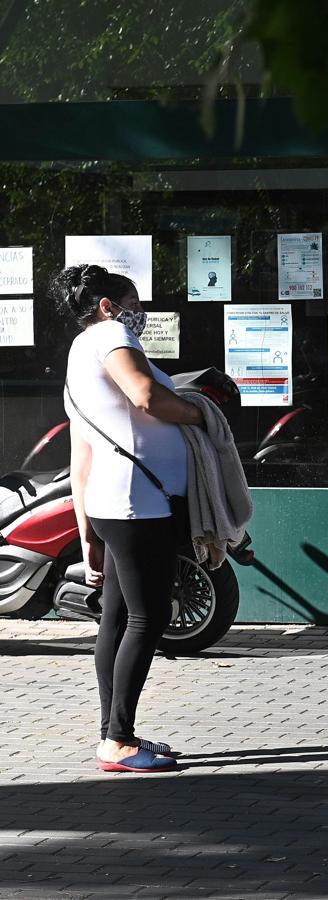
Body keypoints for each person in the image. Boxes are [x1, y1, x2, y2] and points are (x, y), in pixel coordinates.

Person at [54, 264, 206, 774]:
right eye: (133, 301)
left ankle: (115, 732)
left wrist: (86, 535)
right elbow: (147, 395)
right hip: (140, 504)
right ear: (107, 305)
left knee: (117, 620)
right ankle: (117, 742)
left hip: (112, 503)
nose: (140, 313)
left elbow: (82, 458)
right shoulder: (112, 334)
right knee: (148, 617)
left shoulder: (76, 359)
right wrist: (203, 413)